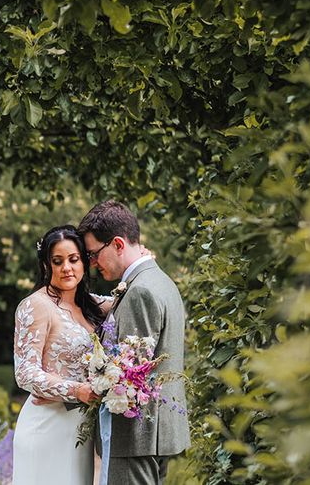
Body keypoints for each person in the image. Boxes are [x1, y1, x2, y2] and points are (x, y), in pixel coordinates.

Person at [78, 200, 190, 485]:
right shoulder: (159, 280)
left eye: (93, 254)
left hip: (136, 438)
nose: (91, 264)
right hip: (155, 434)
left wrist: (97, 376)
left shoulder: (140, 291)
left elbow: (128, 374)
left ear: (117, 244)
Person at [12, 225, 111, 485]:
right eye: (58, 261)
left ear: (84, 262)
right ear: (47, 265)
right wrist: (77, 390)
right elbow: (25, 373)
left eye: (73, 259)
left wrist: (142, 261)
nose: (67, 267)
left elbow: (127, 298)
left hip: (79, 430)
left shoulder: (90, 305)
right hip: (46, 426)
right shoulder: (36, 305)